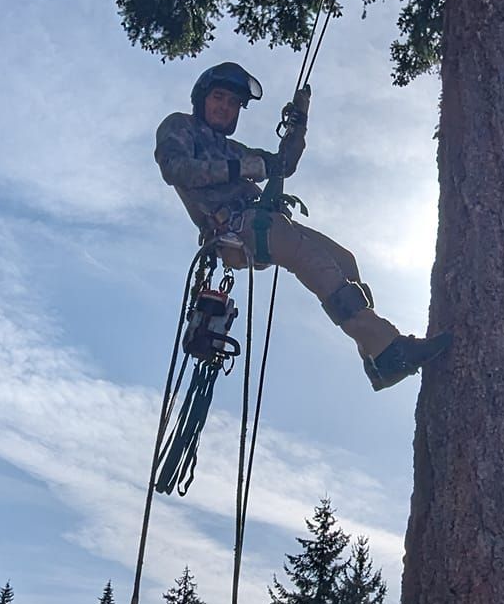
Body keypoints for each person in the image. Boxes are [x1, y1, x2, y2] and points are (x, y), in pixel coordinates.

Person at [155, 61, 450, 390]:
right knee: (305, 255)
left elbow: (283, 166)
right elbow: (177, 170)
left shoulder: (232, 148)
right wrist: (242, 168)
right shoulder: (179, 127)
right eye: (219, 97)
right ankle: (389, 347)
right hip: (232, 229)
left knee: (343, 261)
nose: (225, 107)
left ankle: (375, 359)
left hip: (261, 221)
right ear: (203, 98)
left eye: (233, 103)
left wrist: (299, 121)